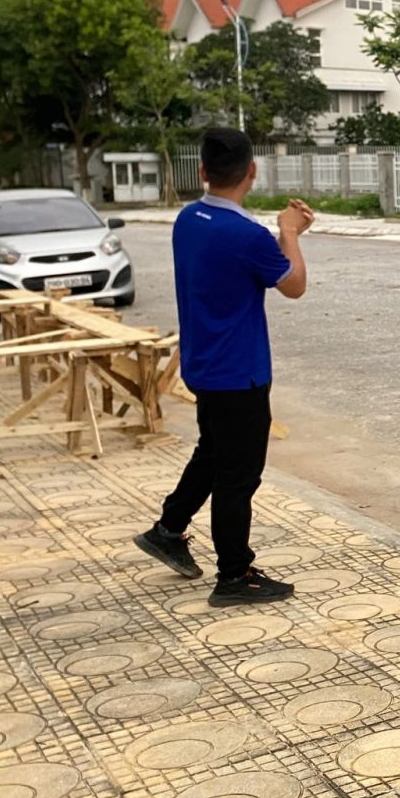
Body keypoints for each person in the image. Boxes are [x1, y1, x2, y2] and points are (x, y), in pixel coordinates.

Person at [133, 128, 312, 605]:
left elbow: (237, 262)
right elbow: (293, 284)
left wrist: (278, 236)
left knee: (212, 453)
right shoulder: (249, 236)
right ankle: (234, 575)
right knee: (238, 476)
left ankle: (168, 529)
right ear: (252, 172)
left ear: (201, 172)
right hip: (241, 373)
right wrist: (290, 233)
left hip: (203, 365)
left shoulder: (189, 219)